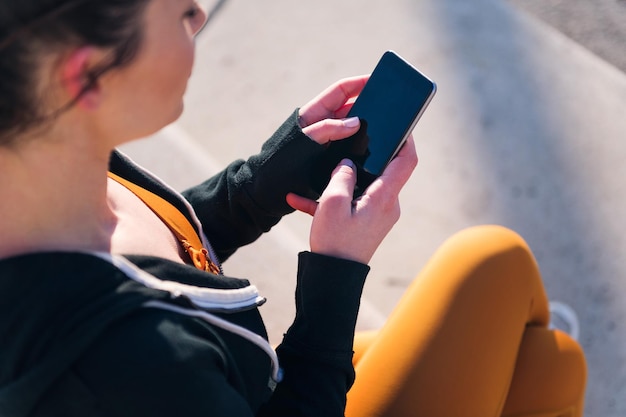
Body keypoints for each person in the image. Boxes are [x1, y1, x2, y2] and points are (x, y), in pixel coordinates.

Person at [0, 0, 586, 416]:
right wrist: (336, 274)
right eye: (179, 10)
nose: (200, 15)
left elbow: (165, 257)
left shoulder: (45, 156)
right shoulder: (126, 374)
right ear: (86, 75)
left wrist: (259, 184)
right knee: (507, 283)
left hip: (259, 375)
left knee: (547, 366)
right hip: (296, 391)